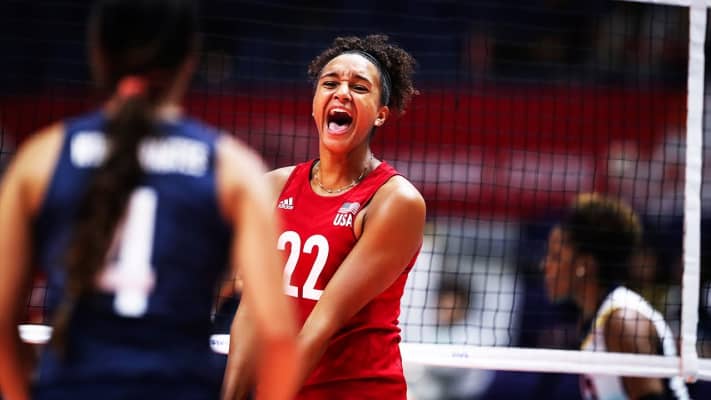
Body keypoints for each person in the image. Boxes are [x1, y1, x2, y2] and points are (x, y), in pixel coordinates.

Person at [0, 1, 297, 399]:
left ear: (97, 54)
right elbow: (277, 336)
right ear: (190, 59)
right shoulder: (233, 169)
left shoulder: (40, 159)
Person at [224, 34, 426, 399]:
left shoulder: (395, 200)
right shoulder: (272, 187)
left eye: (359, 87)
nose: (342, 92)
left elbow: (323, 323)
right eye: (330, 83)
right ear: (315, 105)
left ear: (381, 114)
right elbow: (252, 311)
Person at [541, 193, 689, 400]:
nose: (545, 265)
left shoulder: (623, 321)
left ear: (584, 265)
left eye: (556, 257)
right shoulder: (594, 319)